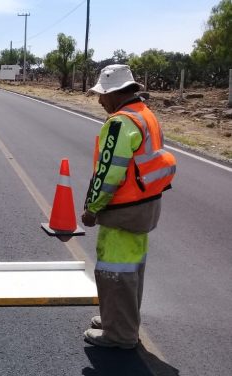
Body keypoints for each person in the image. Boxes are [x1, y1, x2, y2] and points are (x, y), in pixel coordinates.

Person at [81, 64, 176, 349]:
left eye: (102, 95)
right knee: (132, 269)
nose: (99, 101)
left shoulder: (120, 122)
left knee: (115, 272)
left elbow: (110, 172)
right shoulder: (145, 115)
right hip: (146, 206)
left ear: (117, 93)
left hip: (123, 209)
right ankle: (118, 320)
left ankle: (119, 335)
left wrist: (92, 208)